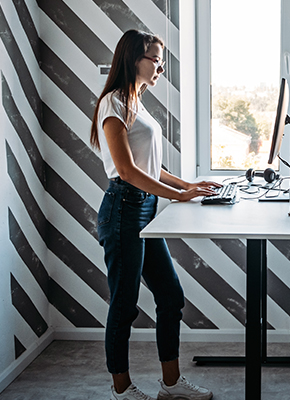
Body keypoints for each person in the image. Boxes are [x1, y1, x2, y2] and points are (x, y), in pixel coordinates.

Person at [90, 29, 217, 400]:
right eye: (156, 60)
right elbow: (127, 171)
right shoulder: (113, 104)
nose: (161, 67)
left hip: (145, 208)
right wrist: (180, 195)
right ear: (134, 59)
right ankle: (122, 390)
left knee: (170, 295)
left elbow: (152, 167)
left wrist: (189, 186)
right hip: (123, 209)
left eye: (161, 61)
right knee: (124, 305)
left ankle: (171, 385)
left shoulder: (137, 102)